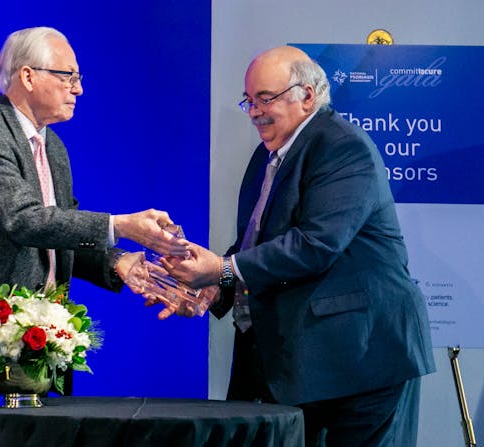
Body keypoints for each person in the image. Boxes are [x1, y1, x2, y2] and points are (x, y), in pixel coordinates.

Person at [0, 26, 189, 446]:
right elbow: (24, 219)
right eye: (68, 76)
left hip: (28, 353)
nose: (79, 89)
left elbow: (58, 227)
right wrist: (120, 224)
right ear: (28, 76)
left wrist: (117, 262)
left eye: (79, 78)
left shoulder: (54, 149)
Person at [160, 46, 436, 446]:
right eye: (249, 101)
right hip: (304, 362)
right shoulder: (267, 155)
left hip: (361, 359)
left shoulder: (341, 145)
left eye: (265, 98)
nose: (254, 111)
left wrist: (221, 268)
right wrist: (211, 288)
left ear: (307, 96)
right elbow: (257, 242)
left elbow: (317, 243)